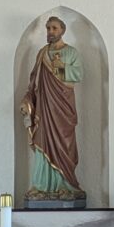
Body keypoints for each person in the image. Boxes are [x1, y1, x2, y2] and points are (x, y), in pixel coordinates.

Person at [22, 16, 85, 203]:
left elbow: (79, 74)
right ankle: (41, 186)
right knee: (43, 142)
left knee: (64, 143)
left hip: (63, 108)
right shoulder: (42, 54)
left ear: (62, 31)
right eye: (48, 28)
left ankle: (65, 186)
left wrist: (62, 67)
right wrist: (27, 101)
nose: (50, 31)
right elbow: (33, 83)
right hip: (44, 108)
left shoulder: (71, 52)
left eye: (54, 28)